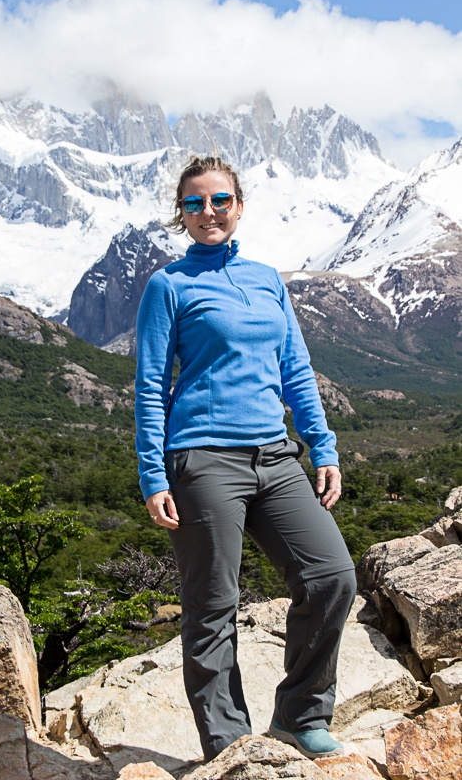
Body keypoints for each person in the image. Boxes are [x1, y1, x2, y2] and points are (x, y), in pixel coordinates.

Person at [134, 155, 356, 762]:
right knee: (213, 604)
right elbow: (151, 386)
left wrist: (323, 445)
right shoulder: (169, 285)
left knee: (331, 576)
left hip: (276, 457)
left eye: (220, 200)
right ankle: (230, 746)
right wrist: (153, 473)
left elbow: (296, 372)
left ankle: (300, 716)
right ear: (180, 214)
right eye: (194, 203)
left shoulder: (266, 280)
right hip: (202, 460)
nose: (209, 212)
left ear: (239, 205)